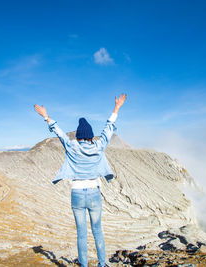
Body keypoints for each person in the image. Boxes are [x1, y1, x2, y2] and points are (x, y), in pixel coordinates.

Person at [34, 93, 127, 267]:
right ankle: (101, 264)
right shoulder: (99, 146)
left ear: (78, 136)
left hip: (76, 193)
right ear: (91, 135)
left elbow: (59, 132)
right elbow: (109, 127)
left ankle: (83, 265)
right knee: (97, 231)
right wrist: (117, 107)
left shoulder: (71, 146)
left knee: (81, 233)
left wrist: (46, 116)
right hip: (94, 193)